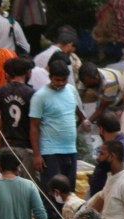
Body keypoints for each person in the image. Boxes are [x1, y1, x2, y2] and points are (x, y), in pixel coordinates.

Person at [30, 59, 84, 193]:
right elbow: (33, 126)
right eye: (57, 80)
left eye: (63, 80)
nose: (60, 83)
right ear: (50, 77)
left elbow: (76, 111)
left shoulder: (71, 90)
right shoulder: (40, 96)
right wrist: (37, 155)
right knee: (53, 192)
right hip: (50, 151)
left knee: (69, 192)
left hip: (71, 149)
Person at [0, 57, 35, 173]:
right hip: (25, 146)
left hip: (6, 145)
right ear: (27, 73)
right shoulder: (31, 93)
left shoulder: (0, 91)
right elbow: (35, 123)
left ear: (11, 73)